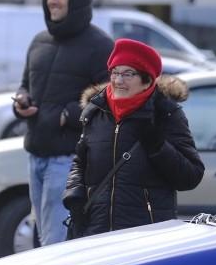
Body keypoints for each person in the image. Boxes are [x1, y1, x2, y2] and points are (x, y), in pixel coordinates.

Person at [13, 0, 114, 247]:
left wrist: (67, 115)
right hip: (35, 155)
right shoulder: (38, 41)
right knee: (43, 238)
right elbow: (25, 84)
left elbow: (110, 104)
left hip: (68, 162)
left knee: (55, 245)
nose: (52, 0)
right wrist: (22, 102)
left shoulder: (101, 46)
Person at [62, 39, 205, 236]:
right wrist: (75, 196)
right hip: (96, 231)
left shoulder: (166, 114)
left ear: (147, 80)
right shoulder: (95, 111)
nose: (118, 81)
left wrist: (158, 147)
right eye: (114, 72)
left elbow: (191, 176)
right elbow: (80, 162)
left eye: (128, 74)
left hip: (145, 236)